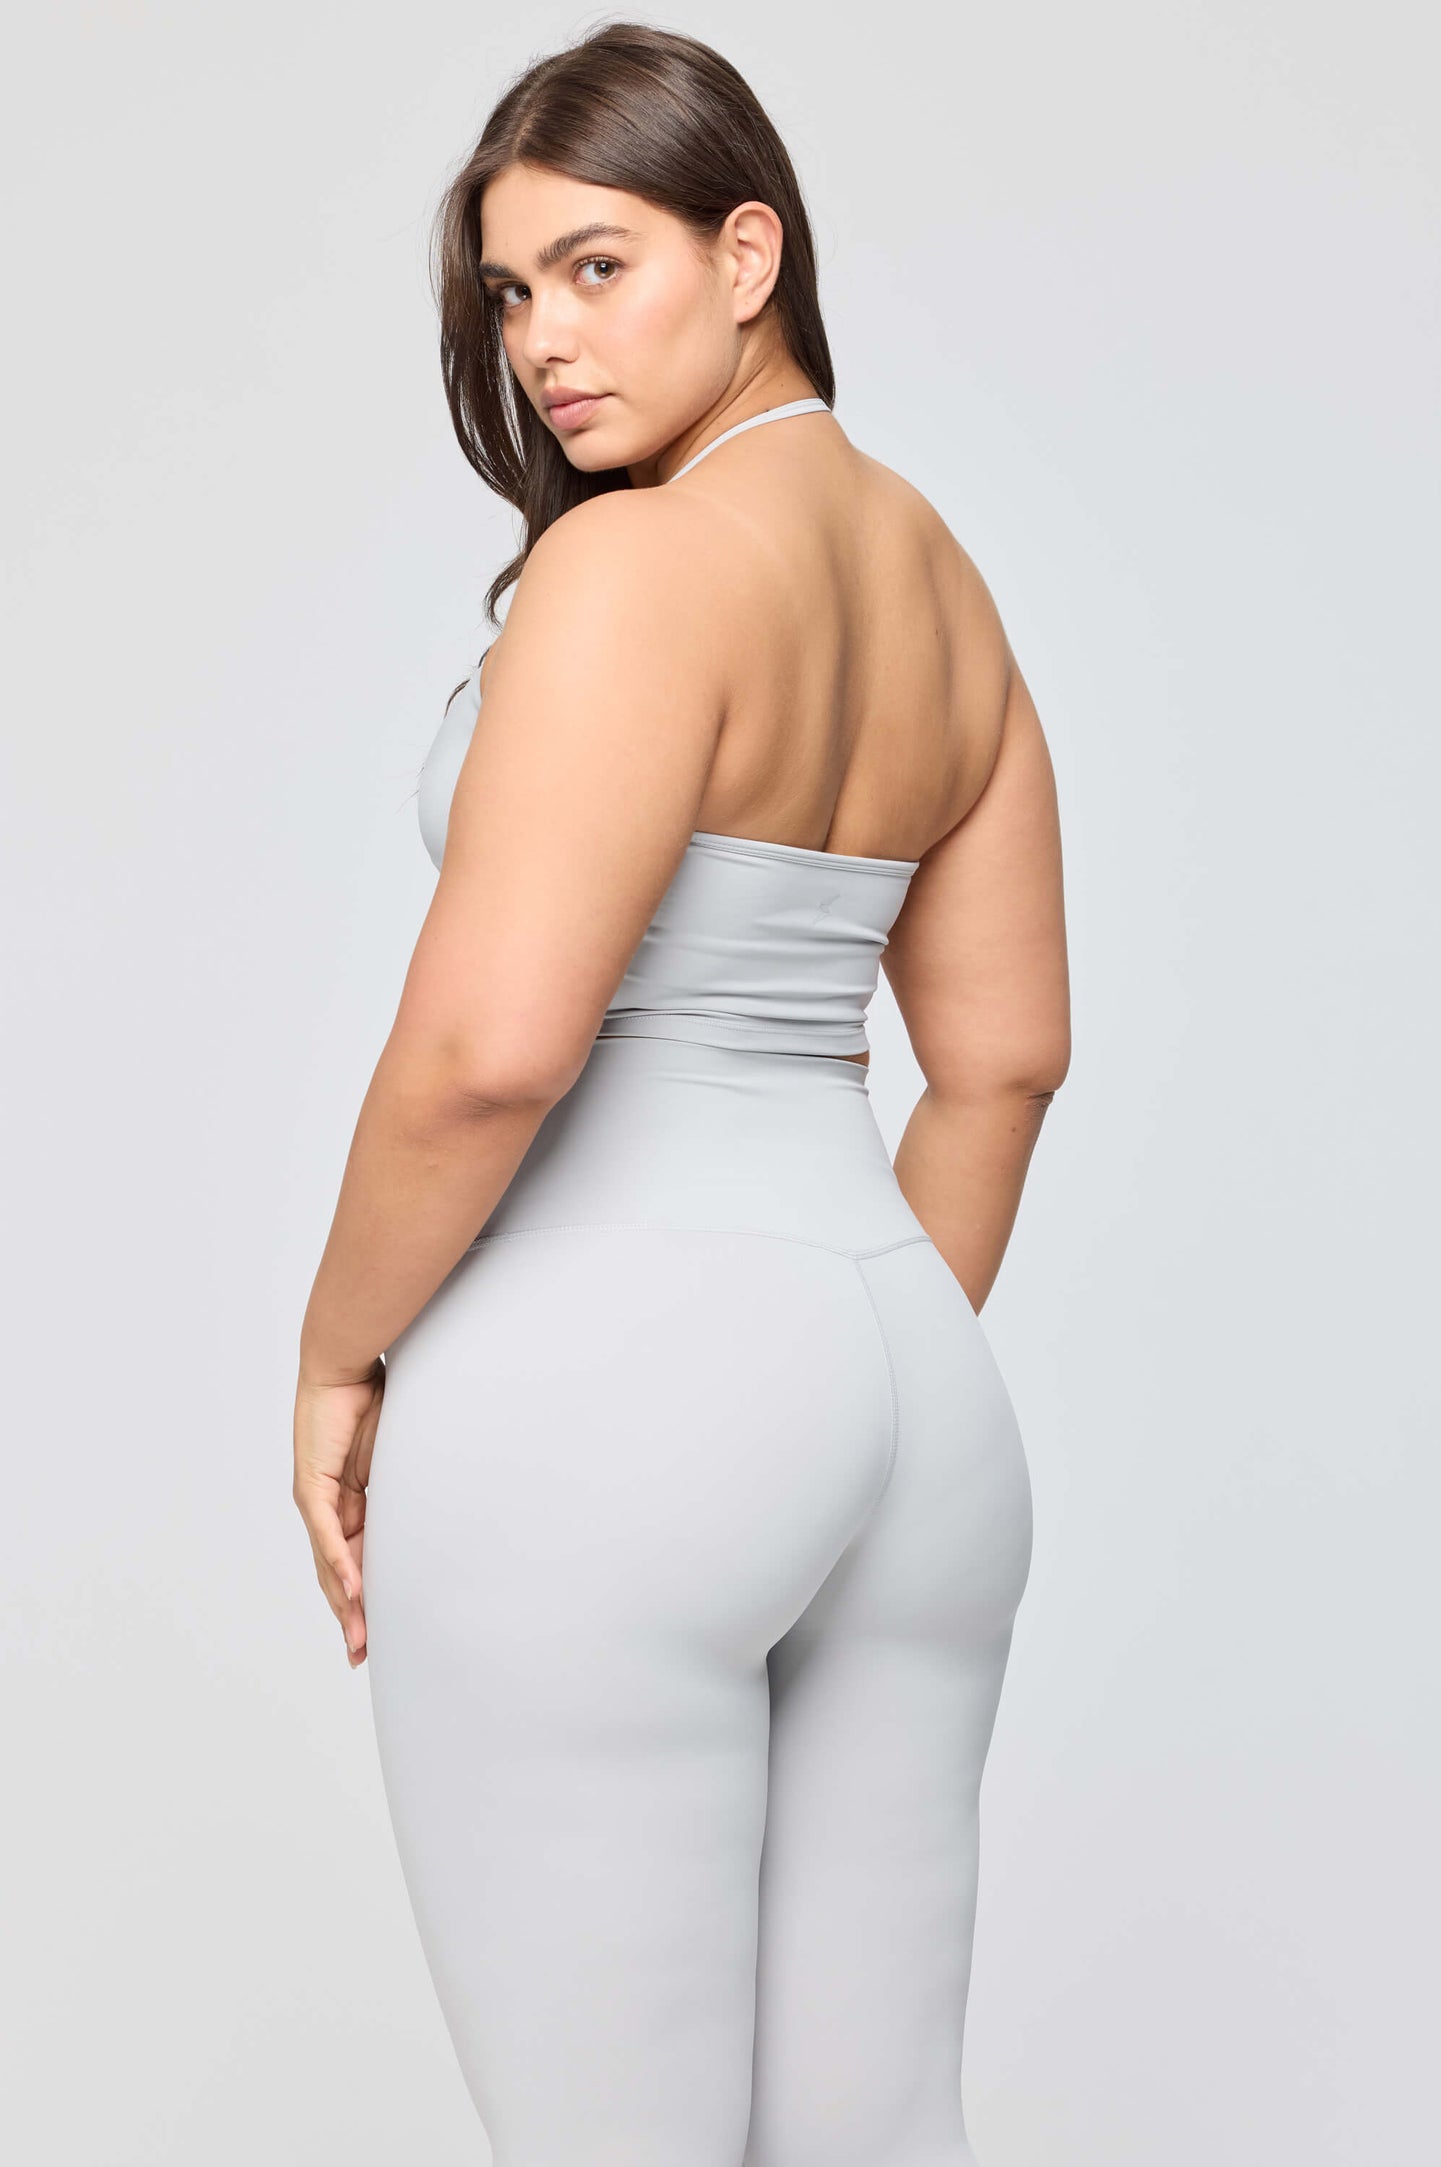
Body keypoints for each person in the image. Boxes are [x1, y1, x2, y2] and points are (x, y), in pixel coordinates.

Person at [292, 21, 1069, 2166]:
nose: (542, 339)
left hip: (604, 1390)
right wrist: (828, 1365)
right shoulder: (942, 579)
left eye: (594, 266)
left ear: (749, 252)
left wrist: (339, 1350)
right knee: (874, 2133)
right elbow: (1004, 1059)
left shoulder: (634, 563)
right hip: (913, 1406)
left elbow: (490, 1052)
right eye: (508, 292)